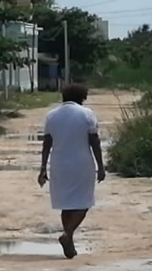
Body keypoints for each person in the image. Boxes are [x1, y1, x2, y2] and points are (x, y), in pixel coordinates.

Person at [38, 83, 106, 258]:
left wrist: (43, 168)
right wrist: (101, 166)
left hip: (59, 164)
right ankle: (68, 234)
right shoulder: (86, 114)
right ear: (82, 98)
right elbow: (94, 141)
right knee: (84, 202)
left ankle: (70, 241)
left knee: (67, 204)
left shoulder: (51, 116)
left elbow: (47, 144)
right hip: (81, 164)